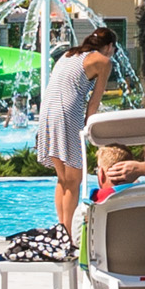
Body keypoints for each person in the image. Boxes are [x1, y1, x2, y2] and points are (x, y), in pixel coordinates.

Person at [32, 23, 121, 236]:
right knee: (74, 179)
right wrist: (89, 129)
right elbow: (94, 101)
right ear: (109, 46)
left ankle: (62, 229)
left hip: (47, 112)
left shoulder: (69, 54)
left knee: (63, 179)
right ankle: (68, 234)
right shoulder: (103, 61)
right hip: (67, 112)